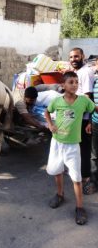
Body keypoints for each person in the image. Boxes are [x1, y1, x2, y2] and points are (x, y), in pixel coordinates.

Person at [45, 71, 96, 225]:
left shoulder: (84, 101)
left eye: (76, 82)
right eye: (71, 82)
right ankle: (60, 194)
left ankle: (80, 208)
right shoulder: (57, 101)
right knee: (57, 170)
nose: (74, 85)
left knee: (76, 177)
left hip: (73, 146)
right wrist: (50, 124)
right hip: (57, 144)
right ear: (63, 85)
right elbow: (47, 112)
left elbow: (94, 110)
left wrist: (90, 123)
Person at [69, 47, 96, 195]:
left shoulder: (85, 72)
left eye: (76, 56)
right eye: (71, 57)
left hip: (83, 119)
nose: (73, 59)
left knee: (85, 150)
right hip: (77, 118)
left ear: (83, 56)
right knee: (79, 149)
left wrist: (90, 121)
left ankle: (86, 179)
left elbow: (87, 98)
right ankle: (81, 175)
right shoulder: (78, 72)